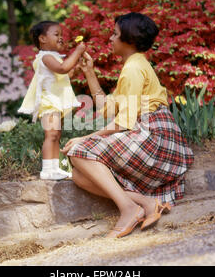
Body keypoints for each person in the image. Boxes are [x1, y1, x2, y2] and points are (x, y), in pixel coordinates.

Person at [61, 12, 194, 238]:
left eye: (115, 34)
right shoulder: (133, 65)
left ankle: (129, 209)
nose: (110, 39)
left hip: (156, 136)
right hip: (148, 133)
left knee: (77, 152)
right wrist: (89, 73)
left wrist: (85, 139)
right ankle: (147, 203)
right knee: (79, 177)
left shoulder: (133, 69)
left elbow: (123, 122)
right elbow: (108, 109)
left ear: (129, 41)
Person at [18, 21, 84, 180]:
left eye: (62, 35)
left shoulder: (54, 57)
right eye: (56, 34)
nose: (61, 38)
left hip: (55, 102)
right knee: (51, 135)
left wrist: (78, 67)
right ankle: (47, 169)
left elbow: (66, 75)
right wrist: (78, 51)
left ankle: (54, 168)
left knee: (56, 134)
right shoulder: (46, 57)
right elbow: (62, 69)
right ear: (42, 38)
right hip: (48, 102)